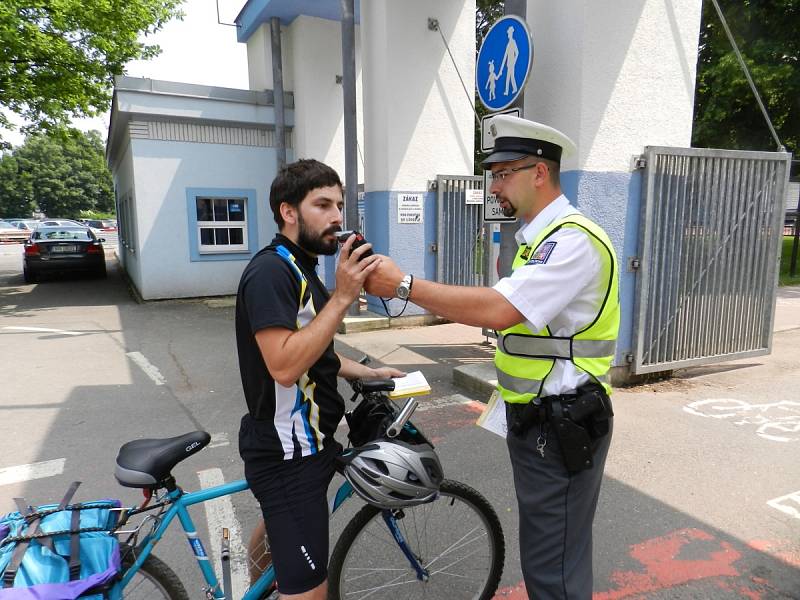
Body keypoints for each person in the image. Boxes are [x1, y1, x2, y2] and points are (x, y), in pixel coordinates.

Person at [365, 115, 619, 600]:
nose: (495, 186)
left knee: (553, 566)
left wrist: (403, 285)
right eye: (494, 174)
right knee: (552, 551)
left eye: (505, 174)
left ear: (539, 173)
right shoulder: (537, 241)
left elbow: (501, 310)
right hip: (539, 421)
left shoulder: (571, 241)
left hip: (561, 424)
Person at [236, 158, 404, 600]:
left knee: (278, 529)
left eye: (340, 206)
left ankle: (257, 590)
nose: (336, 218)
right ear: (289, 212)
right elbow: (286, 366)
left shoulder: (301, 265)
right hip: (290, 450)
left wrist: (369, 371)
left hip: (305, 442)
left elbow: (314, 348)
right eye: (323, 205)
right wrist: (346, 296)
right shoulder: (272, 272)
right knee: (310, 591)